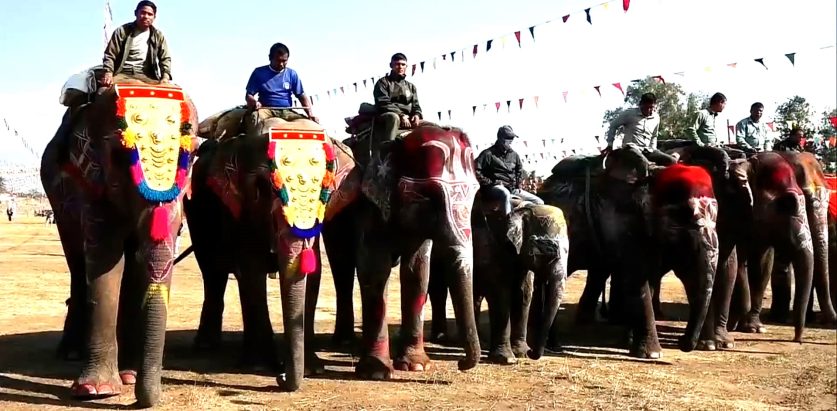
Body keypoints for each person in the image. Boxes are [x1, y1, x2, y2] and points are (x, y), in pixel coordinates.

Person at [243, 42, 318, 137]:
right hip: (265, 110)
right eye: (278, 61)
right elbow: (248, 95)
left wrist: (310, 114)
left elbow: (301, 95)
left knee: (310, 126)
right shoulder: (259, 73)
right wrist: (254, 102)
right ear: (270, 58)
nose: (282, 64)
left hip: (287, 111)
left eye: (284, 61)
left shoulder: (292, 74)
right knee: (255, 122)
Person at [101, 0, 172, 87]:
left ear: (154, 17)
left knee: (177, 94)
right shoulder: (122, 31)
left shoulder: (158, 36)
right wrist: (108, 73)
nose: (146, 16)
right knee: (103, 92)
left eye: (150, 14)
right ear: (136, 13)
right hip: (123, 74)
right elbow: (110, 55)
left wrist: (165, 77)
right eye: (143, 12)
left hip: (147, 76)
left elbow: (165, 58)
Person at [475, 126, 544, 215]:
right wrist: (491, 182)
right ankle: (508, 222)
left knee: (539, 202)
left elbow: (519, 169)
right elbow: (476, 171)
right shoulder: (488, 154)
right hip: (494, 188)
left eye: (512, 138)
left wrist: (518, 183)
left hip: (512, 188)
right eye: (508, 138)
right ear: (500, 138)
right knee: (505, 193)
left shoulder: (514, 155)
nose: (511, 140)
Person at [604, 92, 677, 165]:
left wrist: (652, 149)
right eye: (646, 108)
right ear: (641, 105)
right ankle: (644, 176)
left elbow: (654, 135)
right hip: (630, 148)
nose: (648, 110)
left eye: (651, 107)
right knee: (643, 162)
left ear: (655, 106)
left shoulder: (656, 118)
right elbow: (613, 125)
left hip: (647, 150)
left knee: (672, 161)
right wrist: (610, 144)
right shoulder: (629, 113)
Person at [372, 53, 423, 149]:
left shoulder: (411, 86)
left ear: (406, 66)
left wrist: (417, 114)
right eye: (397, 64)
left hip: (409, 117)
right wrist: (401, 115)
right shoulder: (383, 82)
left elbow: (416, 105)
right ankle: (387, 151)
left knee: (430, 125)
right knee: (394, 118)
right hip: (387, 114)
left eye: (403, 64)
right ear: (391, 65)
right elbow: (383, 102)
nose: (400, 67)